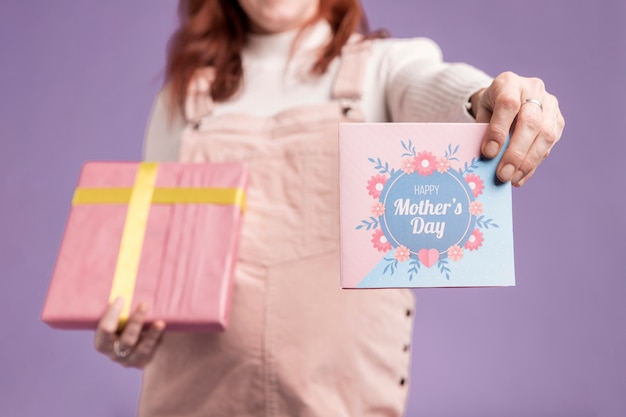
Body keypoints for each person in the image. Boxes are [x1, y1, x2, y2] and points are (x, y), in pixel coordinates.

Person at [94, 0, 565, 416]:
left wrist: (491, 99)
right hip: (191, 400)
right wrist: (132, 334)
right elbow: (154, 272)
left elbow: (442, 91)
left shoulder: (384, 67)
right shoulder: (180, 101)